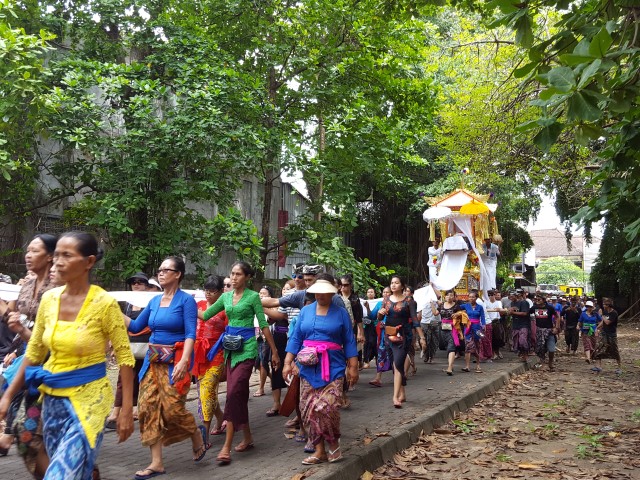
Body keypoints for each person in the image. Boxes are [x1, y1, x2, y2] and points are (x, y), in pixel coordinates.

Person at [0, 231, 135, 479]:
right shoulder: (50, 300)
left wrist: (126, 410)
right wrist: (7, 395)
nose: (58, 261)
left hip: (89, 402)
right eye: (57, 255)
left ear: (89, 262)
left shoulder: (104, 303)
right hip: (52, 401)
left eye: (67, 255)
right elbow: (35, 350)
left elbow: (125, 357)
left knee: (60, 475)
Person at [126, 256, 205, 479]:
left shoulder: (185, 301)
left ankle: (195, 433)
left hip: (175, 363)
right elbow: (134, 326)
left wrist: (184, 362)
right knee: (146, 408)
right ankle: (157, 463)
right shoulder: (153, 301)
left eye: (166, 270)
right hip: (152, 363)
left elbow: (191, 333)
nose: (160, 273)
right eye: (159, 270)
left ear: (177, 274)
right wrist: (111, 311)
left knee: (173, 409)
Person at [203, 261, 280, 466]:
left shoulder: (253, 297)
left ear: (247, 277)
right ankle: (247, 437)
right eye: (232, 273)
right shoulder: (225, 297)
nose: (234, 277)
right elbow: (206, 315)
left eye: (238, 274)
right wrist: (185, 307)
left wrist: (274, 351)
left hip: (247, 349)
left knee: (232, 393)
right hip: (230, 349)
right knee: (239, 395)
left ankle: (226, 446)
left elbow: (263, 324)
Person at [283, 276, 358, 465]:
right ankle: (319, 451)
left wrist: (353, 367)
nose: (320, 295)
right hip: (308, 367)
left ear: (331, 293)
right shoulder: (306, 311)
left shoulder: (341, 313)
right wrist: (287, 362)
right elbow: (295, 338)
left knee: (327, 407)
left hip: (333, 366)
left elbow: (349, 340)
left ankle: (333, 444)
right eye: (317, 292)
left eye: (324, 292)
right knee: (308, 409)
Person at [0, 233, 58, 471]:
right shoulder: (25, 286)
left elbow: (51, 339)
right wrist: (16, 339)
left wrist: (22, 331)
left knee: (56, 436)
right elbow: (16, 320)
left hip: (57, 370)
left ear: (50, 257)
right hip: (32, 365)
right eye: (28, 250)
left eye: (35, 250)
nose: (28, 255)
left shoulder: (59, 290)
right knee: (27, 438)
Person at [106, 271, 151, 430]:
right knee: (122, 379)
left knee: (142, 378)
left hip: (146, 346)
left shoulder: (150, 303)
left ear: (146, 286)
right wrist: (114, 342)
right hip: (129, 346)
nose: (137, 285)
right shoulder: (128, 305)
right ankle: (115, 411)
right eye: (134, 282)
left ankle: (137, 408)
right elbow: (120, 324)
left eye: (140, 282)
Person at [193, 275, 229, 446]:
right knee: (205, 392)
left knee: (206, 390)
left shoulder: (225, 309)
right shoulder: (198, 305)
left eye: (213, 291)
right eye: (206, 290)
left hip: (217, 354)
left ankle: (204, 436)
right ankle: (221, 417)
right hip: (199, 355)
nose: (208, 294)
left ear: (221, 292)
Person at [376, 276, 417, 408]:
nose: (393, 285)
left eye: (396, 283)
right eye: (392, 283)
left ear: (402, 285)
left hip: (404, 336)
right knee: (395, 365)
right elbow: (380, 317)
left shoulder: (409, 301)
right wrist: (380, 313)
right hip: (389, 335)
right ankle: (402, 393)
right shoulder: (386, 300)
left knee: (398, 363)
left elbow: (415, 319)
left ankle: (395, 397)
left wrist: (421, 337)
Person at [254, 285, 275, 399]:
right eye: (260, 293)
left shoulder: (271, 308)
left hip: (266, 336)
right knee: (255, 363)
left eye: (264, 293)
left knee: (263, 362)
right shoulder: (254, 305)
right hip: (255, 335)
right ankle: (271, 377)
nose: (261, 295)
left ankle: (261, 387)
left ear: (270, 297)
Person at [368, 286, 391, 387]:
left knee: (395, 355)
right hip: (382, 335)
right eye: (384, 292)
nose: (386, 294)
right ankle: (378, 378)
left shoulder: (395, 304)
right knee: (381, 353)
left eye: (388, 292)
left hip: (394, 333)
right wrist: (367, 307)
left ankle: (400, 376)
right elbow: (372, 316)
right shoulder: (379, 304)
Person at [530, 294, 560, 371]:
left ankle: (550, 362)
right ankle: (542, 362)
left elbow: (557, 316)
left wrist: (556, 327)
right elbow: (526, 314)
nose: (537, 301)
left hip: (549, 331)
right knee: (540, 349)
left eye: (539, 300)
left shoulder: (550, 308)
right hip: (539, 331)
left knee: (551, 349)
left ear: (543, 300)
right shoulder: (534, 308)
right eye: (536, 300)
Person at [592, 299, 621, 374]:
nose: (603, 305)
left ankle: (619, 367)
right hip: (604, 333)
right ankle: (598, 366)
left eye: (605, 304)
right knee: (599, 348)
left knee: (614, 350)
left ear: (608, 305)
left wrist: (601, 315)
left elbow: (607, 322)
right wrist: (597, 328)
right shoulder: (605, 312)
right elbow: (603, 321)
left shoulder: (614, 313)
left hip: (611, 334)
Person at [459, 291, 486, 373]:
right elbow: (455, 307)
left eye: (473, 297)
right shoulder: (465, 306)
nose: (471, 298)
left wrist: (484, 325)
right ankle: (467, 366)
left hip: (477, 328)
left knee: (477, 345)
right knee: (468, 346)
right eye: (470, 297)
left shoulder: (480, 307)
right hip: (467, 327)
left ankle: (478, 364)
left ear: (476, 298)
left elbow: (483, 317)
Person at [439, 290, 462, 375]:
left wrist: (457, 314)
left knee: (451, 347)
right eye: (448, 295)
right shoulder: (441, 305)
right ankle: (450, 366)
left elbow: (462, 314)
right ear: (445, 297)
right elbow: (435, 313)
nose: (449, 297)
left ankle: (449, 367)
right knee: (447, 348)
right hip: (443, 329)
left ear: (454, 297)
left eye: (451, 295)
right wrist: (431, 304)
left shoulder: (457, 306)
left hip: (453, 329)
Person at [510, 290, 531, 363]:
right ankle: (522, 355)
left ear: (518, 295)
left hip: (524, 324)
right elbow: (512, 313)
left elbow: (525, 313)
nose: (511, 297)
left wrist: (513, 312)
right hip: (515, 324)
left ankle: (525, 355)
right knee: (516, 342)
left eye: (513, 296)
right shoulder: (512, 303)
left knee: (522, 340)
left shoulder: (524, 302)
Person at [362, 287, 379, 369]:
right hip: (366, 326)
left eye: (372, 292)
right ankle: (366, 361)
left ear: (375, 294)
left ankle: (377, 359)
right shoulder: (363, 303)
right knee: (366, 343)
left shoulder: (378, 303)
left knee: (375, 342)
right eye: (368, 292)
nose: (370, 293)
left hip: (375, 325)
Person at [419, 300, 440, 364]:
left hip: (434, 322)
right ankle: (426, 355)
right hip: (424, 322)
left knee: (434, 341)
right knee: (424, 340)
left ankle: (431, 357)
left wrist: (432, 302)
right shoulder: (422, 299)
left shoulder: (436, 300)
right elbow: (420, 311)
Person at [490, 291, 506, 359]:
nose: (493, 296)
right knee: (491, 339)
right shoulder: (485, 302)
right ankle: (493, 353)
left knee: (498, 338)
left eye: (494, 295)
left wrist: (501, 310)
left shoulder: (498, 302)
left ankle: (497, 351)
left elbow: (501, 311)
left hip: (496, 322)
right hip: (488, 322)